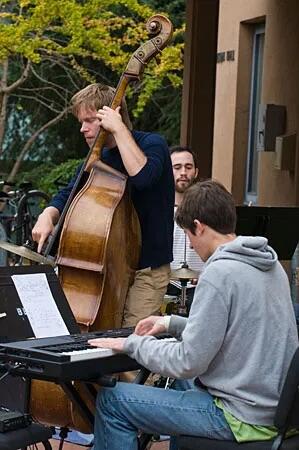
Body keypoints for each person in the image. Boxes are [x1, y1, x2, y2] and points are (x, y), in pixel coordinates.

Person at [88, 179, 299, 450]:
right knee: (180, 383)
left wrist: (132, 345)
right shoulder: (270, 265)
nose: (191, 244)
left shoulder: (219, 273)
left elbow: (187, 361)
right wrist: (170, 323)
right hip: (274, 407)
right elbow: (236, 329)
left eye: (188, 235)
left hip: (240, 416)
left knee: (112, 401)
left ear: (198, 226)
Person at [32, 83, 174, 327]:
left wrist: (119, 130)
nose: (82, 129)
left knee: (134, 345)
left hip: (146, 271)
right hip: (107, 271)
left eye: (89, 120)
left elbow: (142, 177)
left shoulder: (152, 144)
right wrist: (48, 214)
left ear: (110, 117)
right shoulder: (95, 159)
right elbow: (68, 193)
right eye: (81, 121)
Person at [168, 146, 204, 311]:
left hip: (201, 288)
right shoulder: (159, 210)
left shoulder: (207, 209)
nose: (183, 172)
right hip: (167, 287)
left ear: (196, 172)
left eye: (188, 167)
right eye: (177, 167)